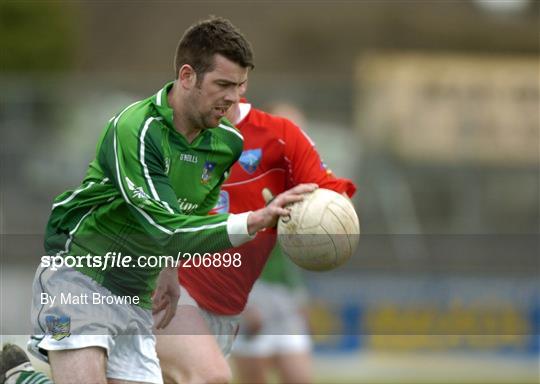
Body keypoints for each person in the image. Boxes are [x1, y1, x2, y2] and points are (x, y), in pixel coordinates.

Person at [9, 17, 316, 384]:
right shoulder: (137, 129)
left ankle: (19, 378)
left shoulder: (226, 144)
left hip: (137, 293)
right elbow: (164, 228)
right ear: (187, 76)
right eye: (222, 85)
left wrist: (169, 270)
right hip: (80, 275)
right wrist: (253, 220)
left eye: (239, 86)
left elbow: (190, 211)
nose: (233, 99)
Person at [154, 98, 356, 384]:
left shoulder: (307, 194)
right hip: (243, 295)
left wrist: (299, 299)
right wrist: (249, 307)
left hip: (283, 298)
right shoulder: (245, 166)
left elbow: (292, 257)